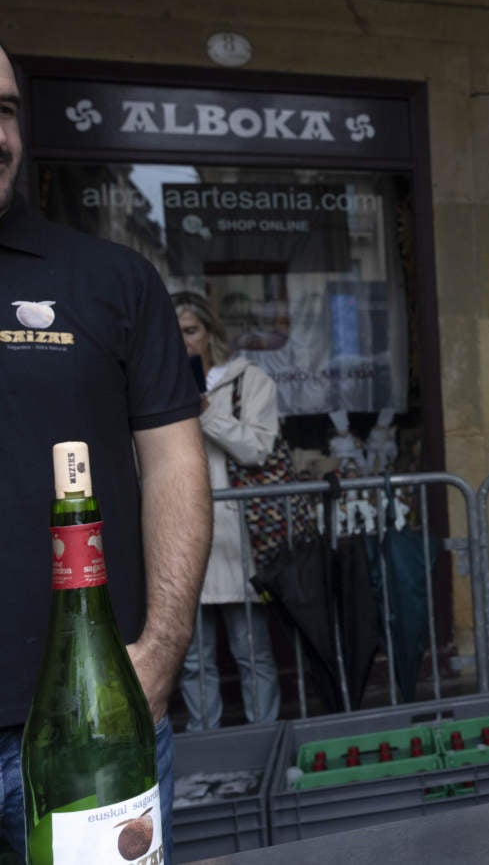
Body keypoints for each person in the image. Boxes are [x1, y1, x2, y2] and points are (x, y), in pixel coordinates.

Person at [0, 40, 212, 860]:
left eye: (6, 110)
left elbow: (173, 463)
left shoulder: (109, 280)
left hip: (89, 732)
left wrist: (159, 654)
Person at [173, 291, 283, 731]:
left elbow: (258, 448)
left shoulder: (248, 381)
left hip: (238, 539)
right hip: (181, 537)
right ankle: (205, 745)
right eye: (173, 333)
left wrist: (205, 413)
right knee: (194, 658)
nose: (181, 342)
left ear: (210, 334)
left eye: (190, 331)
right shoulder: (153, 382)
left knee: (252, 650)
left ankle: (265, 739)